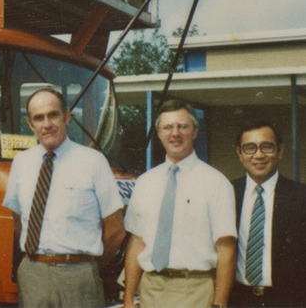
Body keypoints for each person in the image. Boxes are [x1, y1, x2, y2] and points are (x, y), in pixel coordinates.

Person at [3, 88, 125, 307]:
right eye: (39, 118)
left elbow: (116, 228)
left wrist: (87, 266)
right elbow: (18, 221)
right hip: (33, 274)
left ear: (67, 116)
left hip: (79, 276)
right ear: (31, 124)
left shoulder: (93, 161)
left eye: (53, 115)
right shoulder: (21, 162)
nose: (47, 124)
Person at [123, 99, 236, 308]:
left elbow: (226, 249)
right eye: (168, 127)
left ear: (195, 131)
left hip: (196, 290)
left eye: (182, 126)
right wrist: (128, 299)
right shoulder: (145, 182)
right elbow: (137, 243)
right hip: (151, 290)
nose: (175, 133)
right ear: (159, 134)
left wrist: (219, 303)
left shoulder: (216, 183)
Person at [229, 119, 306, 307]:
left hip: (288, 301)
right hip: (237, 299)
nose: (259, 155)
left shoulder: (301, 196)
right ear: (239, 153)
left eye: (267, 147)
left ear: (280, 151)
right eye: (250, 148)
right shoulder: (226, 193)